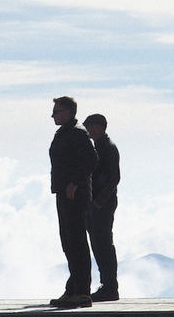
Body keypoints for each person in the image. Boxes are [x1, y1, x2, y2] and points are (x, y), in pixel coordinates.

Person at [48, 96, 99, 308]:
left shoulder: (77, 133)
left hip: (74, 196)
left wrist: (74, 183)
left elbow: (92, 159)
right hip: (64, 193)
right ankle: (73, 289)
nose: (53, 115)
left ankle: (82, 292)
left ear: (67, 113)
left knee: (77, 241)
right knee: (68, 242)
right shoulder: (65, 133)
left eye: (57, 111)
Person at [83, 113, 120, 302]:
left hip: (102, 205)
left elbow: (114, 178)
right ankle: (106, 285)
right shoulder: (100, 146)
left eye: (88, 125)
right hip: (96, 204)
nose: (86, 129)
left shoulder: (107, 147)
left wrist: (98, 202)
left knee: (103, 244)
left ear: (98, 127)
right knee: (98, 244)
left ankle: (110, 287)